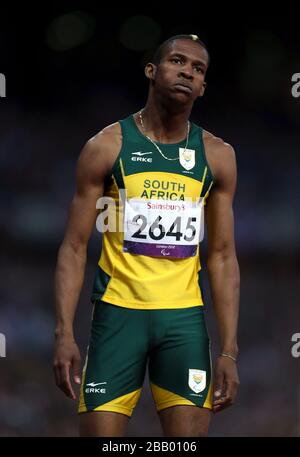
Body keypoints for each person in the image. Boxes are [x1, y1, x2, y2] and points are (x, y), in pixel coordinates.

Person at [53, 34, 240, 437]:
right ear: (152, 71)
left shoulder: (218, 156)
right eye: (177, 61)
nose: (187, 71)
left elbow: (222, 255)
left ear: (203, 87)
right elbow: (73, 246)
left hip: (184, 323)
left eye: (198, 68)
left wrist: (229, 349)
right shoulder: (106, 147)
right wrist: (65, 332)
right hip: (117, 317)